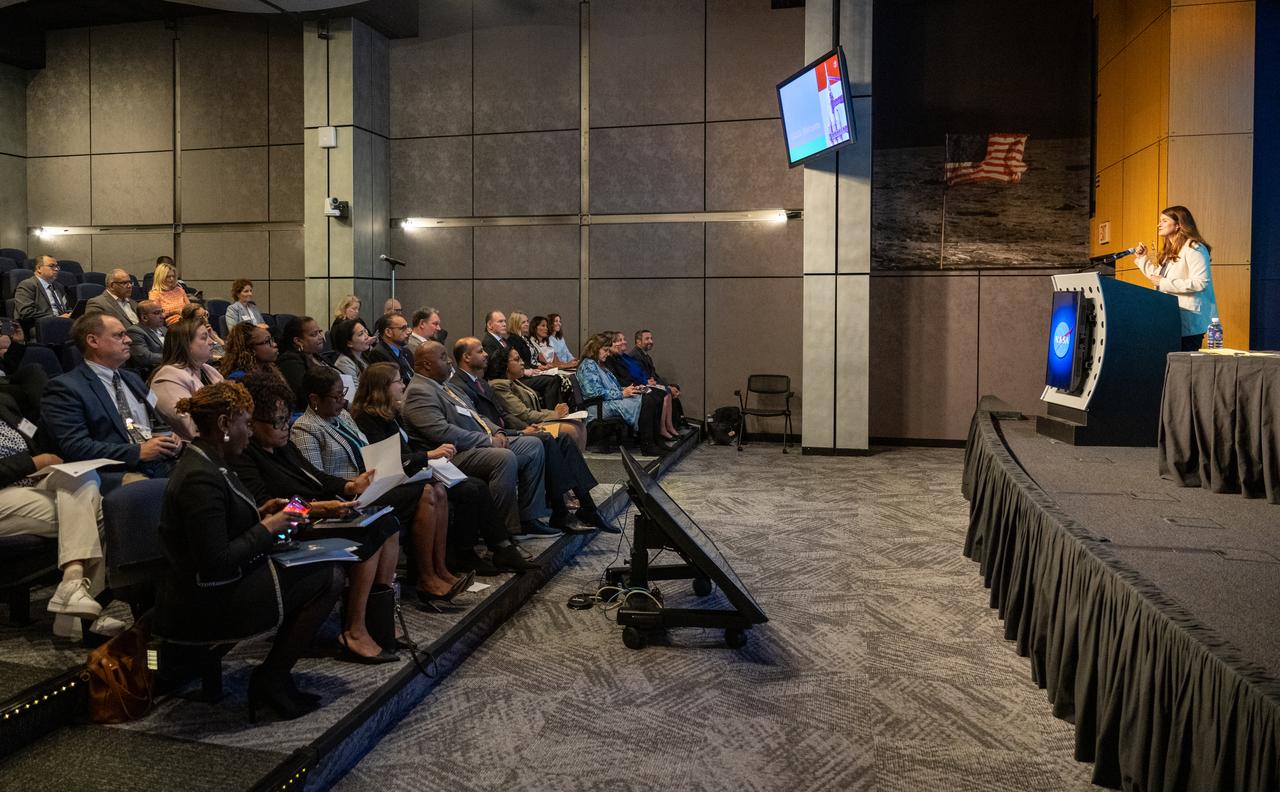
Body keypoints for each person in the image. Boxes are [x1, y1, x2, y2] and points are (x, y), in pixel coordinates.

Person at [154, 382, 343, 721]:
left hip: (222, 582)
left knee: (326, 562)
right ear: (225, 424)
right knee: (328, 577)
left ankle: (274, 677)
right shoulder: (200, 476)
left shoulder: (214, 460)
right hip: (205, 598)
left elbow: (223, 525)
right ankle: (271, 678)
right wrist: (268, 526)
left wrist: (261, 512)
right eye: (245, 423)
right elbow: (216, 563)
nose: (250, 432)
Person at [230, 373, 402, 663]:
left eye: (286, 419)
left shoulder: (282, 445)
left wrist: (348, 486)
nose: (285, 427)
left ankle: (378, 622)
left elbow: (314, 477)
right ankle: (354, 629)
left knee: (387, 523)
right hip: (290, 529)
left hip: (317, 512)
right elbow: (269, 509)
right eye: (277, 422)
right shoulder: (244, 455)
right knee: (369, 536)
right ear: (251, 423)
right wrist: (321, 508)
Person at [291, 367, 470, 604]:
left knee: (437, 487)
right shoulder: (305, 429)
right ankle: (426, 578)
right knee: (426, 492)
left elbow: (368, 452)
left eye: (343, 393)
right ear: (314, 399)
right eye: (336, 396)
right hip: (344, 499)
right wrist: (352, 484)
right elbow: (316, 481)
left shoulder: (342, 417)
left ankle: (440, 569)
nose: (343, 400)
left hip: (371, 484)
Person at [349, 362, 536, 575]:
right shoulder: (367, 418)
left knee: (475, 486)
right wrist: (428, 456)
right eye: (398, 381)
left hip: (410, 471)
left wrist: (428, 458)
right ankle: (466, 554)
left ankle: (501, 547)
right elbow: (384, 461)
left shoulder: (391, 414)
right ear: (381, 387)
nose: (403, 385)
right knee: (470, 488)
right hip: (391, 480)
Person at [403, 340, 550, 539]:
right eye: (443, 358)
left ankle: (529, 518)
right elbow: (443, 433)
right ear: (427, 364)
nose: (449, 362)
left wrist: (498, 432)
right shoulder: (418, 392)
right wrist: (488, 441)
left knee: (533, 445)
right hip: (450, 454)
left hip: (478, 443)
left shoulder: (446, 386)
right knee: (503, 458)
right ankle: (501, 531)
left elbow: (476, 415)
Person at [0, 391, 118, 637]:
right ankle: (78, 616)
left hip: (28, 482)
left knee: (83, 476)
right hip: (5, 490)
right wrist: (32, 463)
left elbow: (34, 436)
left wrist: (41, 466)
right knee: (98, 511)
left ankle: (73, 591)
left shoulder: (4, 402)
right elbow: (31, 458)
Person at [460, 341, 611, 532]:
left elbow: (508, 415)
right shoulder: (494, 385)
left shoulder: (490, 383)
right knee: (555, 437)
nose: (523, 363)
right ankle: (561, 511)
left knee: (563, 439)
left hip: (520, 430)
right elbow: (517, 416)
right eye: (517, 360)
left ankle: (587, 506)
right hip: (510, 434)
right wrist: (528, 428)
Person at [43, 313, 183, 480]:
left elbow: (155, 423)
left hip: (158, 463)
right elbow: (75, 447)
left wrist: (170, 437)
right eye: (119, 335)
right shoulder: (66, 388)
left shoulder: (132, 378)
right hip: (112, 473)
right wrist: (137, 452)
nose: (129, 340)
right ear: (93, 341)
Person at [1133, 205, 1219, 352]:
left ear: (1179, 224)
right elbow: (1157, 279)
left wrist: (1164, 282)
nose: (1159, 224)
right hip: (1171, 318)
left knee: (1184, 367)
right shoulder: (1171, 250)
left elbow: (1201, 283)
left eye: (1164, 221)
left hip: (1190, 320)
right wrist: (1142, 259)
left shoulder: (1194, 247)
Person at [577, 332, 668, 456]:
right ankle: (648, 445)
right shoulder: (588, 366)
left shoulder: (600, 365)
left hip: (609, 400)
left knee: (654, 394)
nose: (608, 354)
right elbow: (594, 393)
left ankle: (656, 441)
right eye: (605, 350)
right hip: (598, 406)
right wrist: (622, 393)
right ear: (595, 349)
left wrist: (629, 389)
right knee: (647, 401)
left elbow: (613, 387)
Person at [489, 346, 586, 452]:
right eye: (517, 360)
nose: (522, 363)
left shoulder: (514, 381)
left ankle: (574, 465)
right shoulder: (499, 386)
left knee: (579, 424)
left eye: (521, 359)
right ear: (505, 365)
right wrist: (555, 414)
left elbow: (534, 409)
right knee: (572, 430)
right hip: (526, 428)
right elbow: (524, 414)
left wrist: (557, 413)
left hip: (532, 422)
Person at [150, 319, 225, 441]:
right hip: (192, 452)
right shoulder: (168, 378)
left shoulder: (208, 369)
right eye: (204, 338)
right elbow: (190, 428)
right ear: (186, 344)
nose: (212, 342)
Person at [606, 330, 678, 441]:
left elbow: (642, 374)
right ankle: (656, 433)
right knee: (657, 396)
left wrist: (649, 382)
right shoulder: (624, 357)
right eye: (619, 340)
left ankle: (666, 428)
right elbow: (623, 379)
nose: (624, 342)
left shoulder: (624, 357)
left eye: (623, 339)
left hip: (636, 385)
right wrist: (644, 383)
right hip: (626, 390)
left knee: (664, 392)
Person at [277, 315, 337, 411]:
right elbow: (303, 396)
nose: (321, 337)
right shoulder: (290, 361)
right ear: (297, 340)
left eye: (319, 332)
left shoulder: (318, 357)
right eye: (314, 334)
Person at [630, 329, 684, 424]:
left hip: (651, 383)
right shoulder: (635, 356)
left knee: (674, 387)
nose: (651, 341)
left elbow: (655, 376)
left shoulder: (646, 356)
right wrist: (667, 388)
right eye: (647, 339)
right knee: (666, 392)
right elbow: (646, 379)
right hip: (642, 386)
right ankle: (666, 427)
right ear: (638, 341)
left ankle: (676, 423)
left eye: (651, 338)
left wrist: (669, 386)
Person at [14, 255, 71, 339]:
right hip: (40, 326)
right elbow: (26, 313)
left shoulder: (59, 287)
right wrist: (56, 318)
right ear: (39, 268)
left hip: (63, 323)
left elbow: (66, 307)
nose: (56, 269)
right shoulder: (27, 285)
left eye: (57, 266)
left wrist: (71, 313)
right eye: (52, 266)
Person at [365, 312, 414, 384]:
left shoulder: (407, 352)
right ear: (388, 332)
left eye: (407, 327)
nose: (408, 332)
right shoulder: (378, 354)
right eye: (403, 328)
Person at [126, 300, 167, 376]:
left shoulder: (164, 329)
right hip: (152, 373)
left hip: (168, 368)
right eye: (157, 313)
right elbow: (145, 357)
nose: (163, 316)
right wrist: (172, 358)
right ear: (144, 317)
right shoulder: (134, 331)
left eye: (162, 311)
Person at [148, 258, 190, 326]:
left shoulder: (180, 290)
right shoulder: (154, 294)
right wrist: (174, 311)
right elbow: (157, 315)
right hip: (172, 324)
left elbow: (190, 308)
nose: (172, 279)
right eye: (168, 277)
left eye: (173, 276)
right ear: (160, 278)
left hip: (187, 320)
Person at [332, 317, 374, 385]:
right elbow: (355, 393)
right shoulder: (344, 363)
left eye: (365, 331)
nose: (367, 336)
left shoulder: (363, 356)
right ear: (349, 343)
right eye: (361, 334)